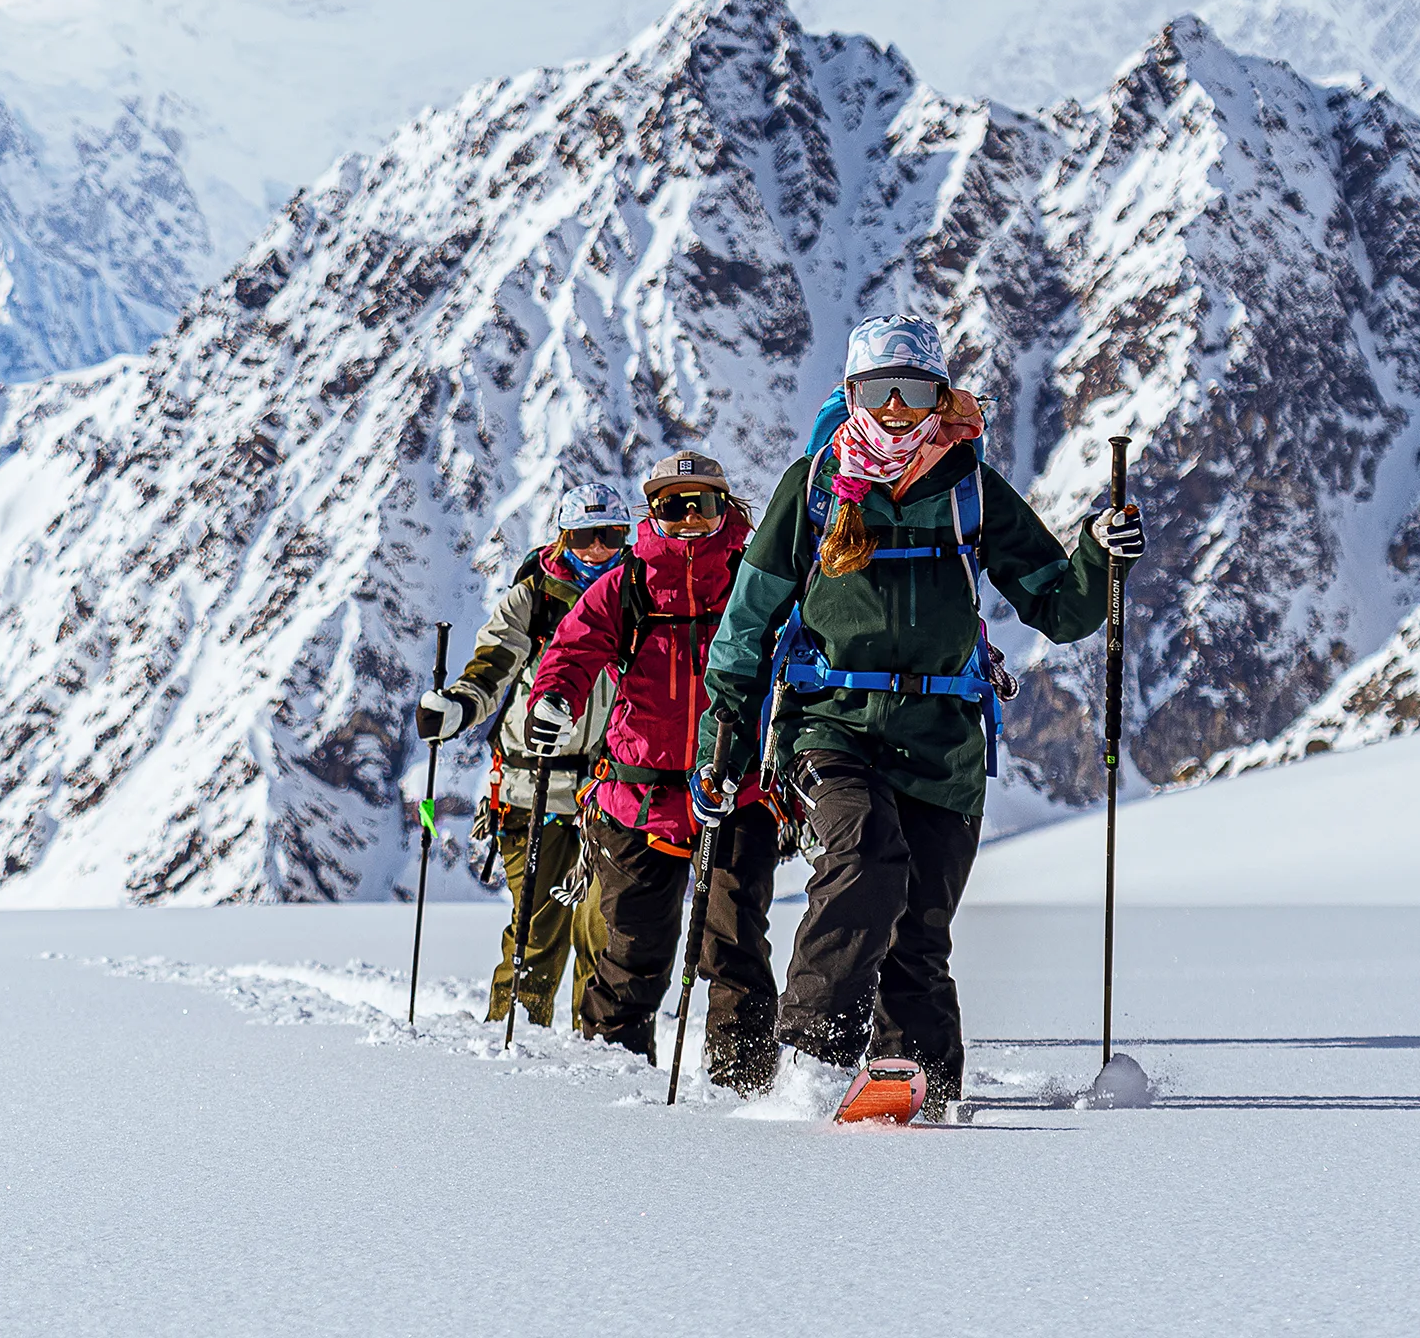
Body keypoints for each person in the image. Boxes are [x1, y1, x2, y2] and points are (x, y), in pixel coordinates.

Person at [701, 315, 1146, 1114]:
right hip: (830, 723)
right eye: (881, 390)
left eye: (916, 391)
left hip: (943, 740)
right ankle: (810, 1059)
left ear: (941, 397)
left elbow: (1057, 606)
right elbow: (746, 624)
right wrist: (721, 747)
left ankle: (921, 1093)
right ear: (851, 394)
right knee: (867, 859)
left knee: (920, 935)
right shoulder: (811, 486)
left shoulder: (969, 488)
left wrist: (1097, 554)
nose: (899, 409)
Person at [525, 450, 784, 1092]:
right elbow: (574, 647)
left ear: (728, 508)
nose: (690, 517)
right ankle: (614, 1092)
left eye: (704, 503)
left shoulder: (758, 576)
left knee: (734, 947)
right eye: (674, 503)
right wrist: (554, 698)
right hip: (634, 799)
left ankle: (741, 1093)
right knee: (632, 955)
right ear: (653, 511)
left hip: (735, 791)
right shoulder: (629, 584)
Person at [414, 485, 629, 1029]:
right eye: (586, 536)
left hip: (614, 792)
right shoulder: (532, 601)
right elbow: (491, 668)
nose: (600, 549)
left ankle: (598, 1055)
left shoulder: (640, 598)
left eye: (612, 535)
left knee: (607, 935)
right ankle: (516, 1054)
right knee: (537, 930)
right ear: (564, 538)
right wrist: (455, 709)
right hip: (531, 791)